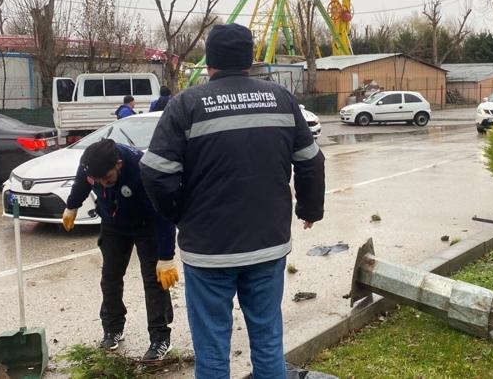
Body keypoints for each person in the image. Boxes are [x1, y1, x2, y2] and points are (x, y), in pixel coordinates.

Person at [140, 23, 325, 378]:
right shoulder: (281, 99)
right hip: (267, 245)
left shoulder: (186, 104)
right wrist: (309, 209)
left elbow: (155, 171)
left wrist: (180, 214)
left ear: (209, 62)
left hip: (208, 252)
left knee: (211, 350)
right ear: (250, 59)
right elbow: (311, 161)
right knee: (268, 341)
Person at [62, 139, 178, 362]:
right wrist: (72, 206)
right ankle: (112, 328)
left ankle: (160, 338)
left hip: (146, 226)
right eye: (97, 180)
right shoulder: (91, 165)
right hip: (113, 225)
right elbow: (82, 183)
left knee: (154, 281)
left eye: (107, 178)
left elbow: (162, 214)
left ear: (119, 164)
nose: (103, 184)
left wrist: (166, 257)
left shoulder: (142, 169)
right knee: (110, 278)